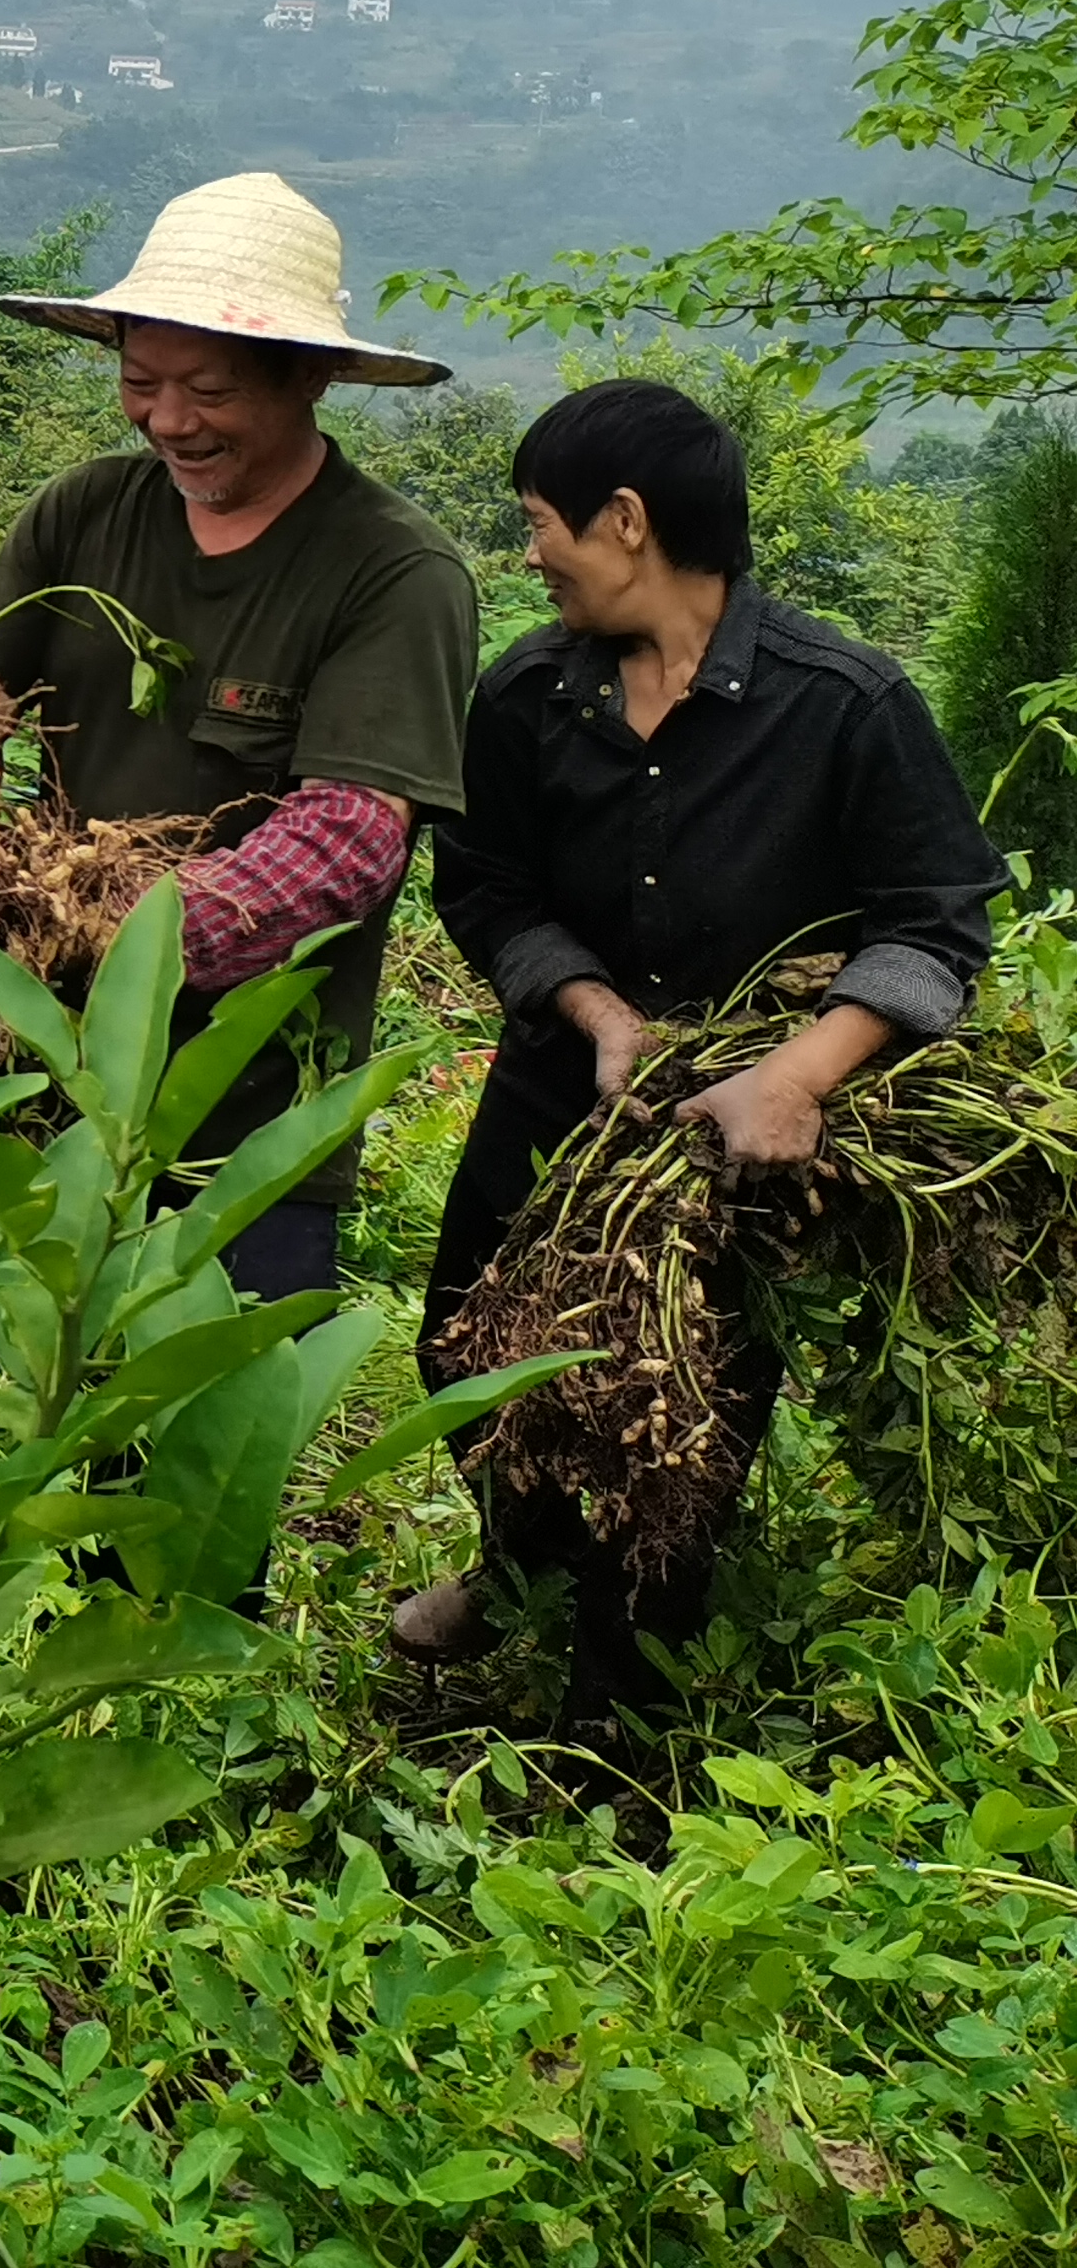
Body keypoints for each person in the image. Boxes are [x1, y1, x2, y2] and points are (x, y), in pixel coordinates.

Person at [403, 381, 1003, 1715]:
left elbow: (937, 922)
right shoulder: (528, 697)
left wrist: (794, 1075)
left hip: (733, 1147)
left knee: (677, 1422)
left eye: (541, 522)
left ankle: (614, 1735)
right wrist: (597, 1008)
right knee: (462, 1351)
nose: (530, 552)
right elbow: (485, 885)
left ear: (625, 523)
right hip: (558, 1104)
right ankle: (517, 1564)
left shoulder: (846, 705)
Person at [0, 171, 477, 1301]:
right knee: (29, 1423)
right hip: (42, 1088)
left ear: (314, 377)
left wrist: (93, 926)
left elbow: (347, 840)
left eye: (210, 389)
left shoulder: (393, 571)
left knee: (204, 1451)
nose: (169, 421)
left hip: (248, 1125)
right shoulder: (83, 512)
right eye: (141, 383)